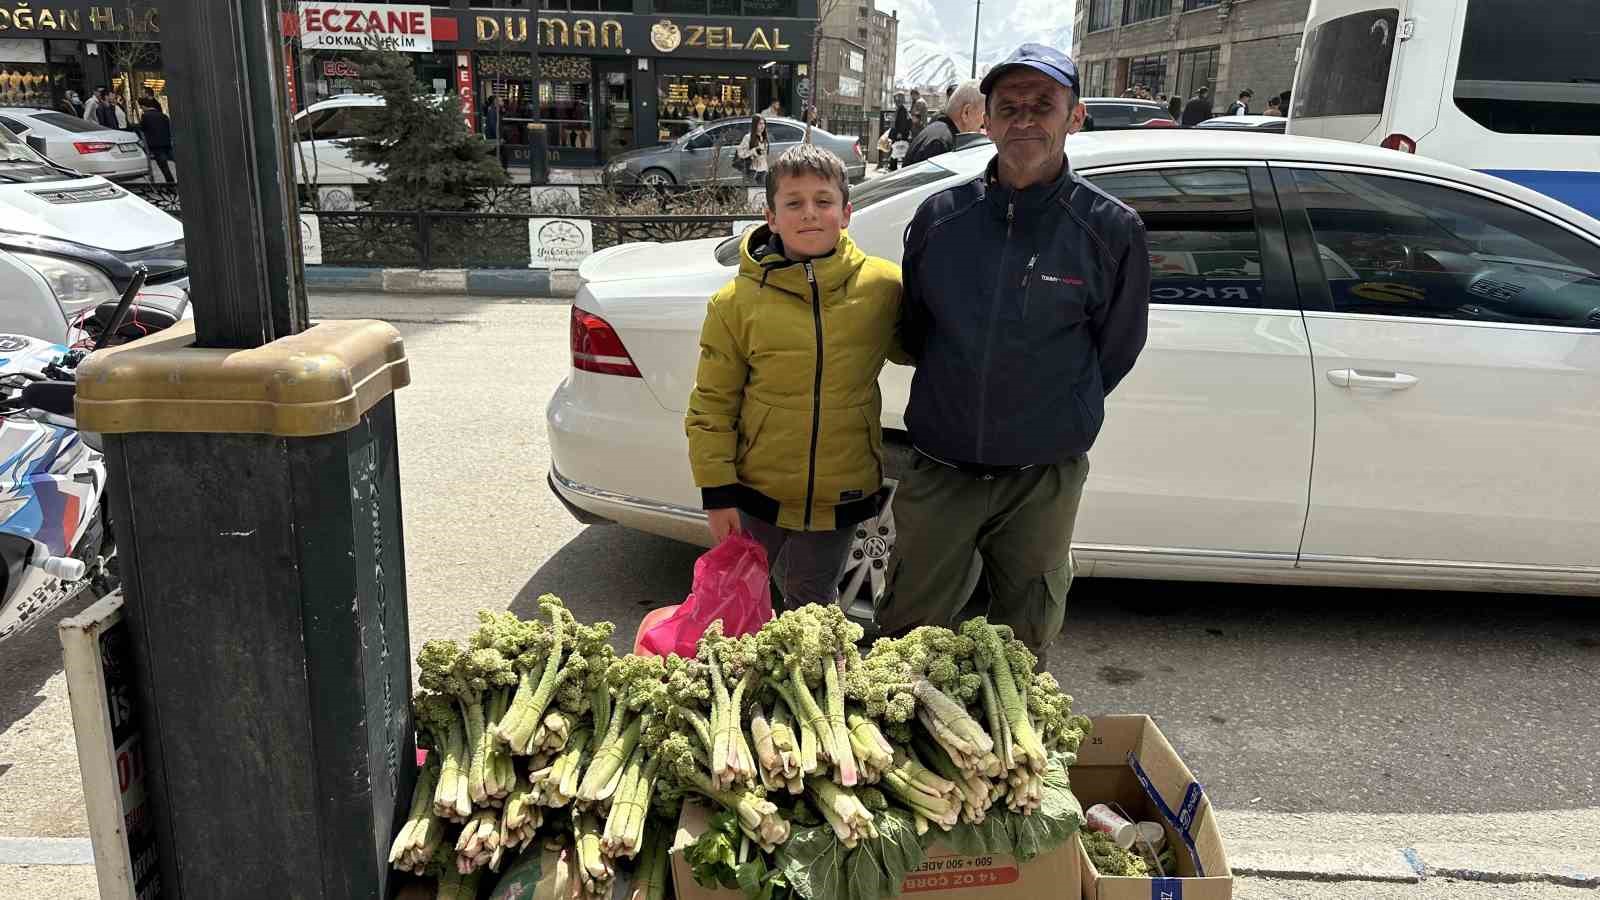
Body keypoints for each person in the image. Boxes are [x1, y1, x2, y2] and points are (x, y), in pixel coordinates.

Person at [881, 43, 1151, 655]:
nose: (1024, 118)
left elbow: (1117, 346)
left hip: (1042, 480)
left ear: (1074, 116)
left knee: (1020, 650)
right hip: (941, 468)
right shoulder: (940, 220)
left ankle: (1000, 754)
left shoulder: (1111, 230)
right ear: (988, 119)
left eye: (1042, 104)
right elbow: (919, 330)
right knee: (905, 644)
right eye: (1009, 106)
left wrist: (1047, 408)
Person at [685, 143, 903, 607]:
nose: (809, 214)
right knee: (742, 603)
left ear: (845, 213)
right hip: (756, 491)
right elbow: (711, 406)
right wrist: (718, 493)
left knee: (811, 603)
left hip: (840, 491)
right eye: (794, 203)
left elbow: (922, 348)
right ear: (771, 216)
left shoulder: (885, 287)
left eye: (823, 202)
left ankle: (815, 677)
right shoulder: (736, 303)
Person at [905, 79, 985, 165]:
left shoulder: (939, 133)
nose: (984, 125)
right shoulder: (941, 144)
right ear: (966, 112)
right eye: (983, 116)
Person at [138, 98, 174, 183]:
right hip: (167, 143)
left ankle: (170, 183)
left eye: (141, 107)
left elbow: (143, 128)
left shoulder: (145, 116)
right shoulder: (163, 115)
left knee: (164, 166)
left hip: (156, 145)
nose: (141, 109)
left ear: (144, 106)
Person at [736, 114, 770, 186]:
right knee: (751, 192)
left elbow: (765, 155)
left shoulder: (765, 138)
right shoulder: (748, 137)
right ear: (755, 125)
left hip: (763, 170)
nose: (762, 126)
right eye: (760, 123)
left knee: (761, 193)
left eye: (764, 123)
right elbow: (740, 153)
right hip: (751, 170)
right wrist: (753, 151)